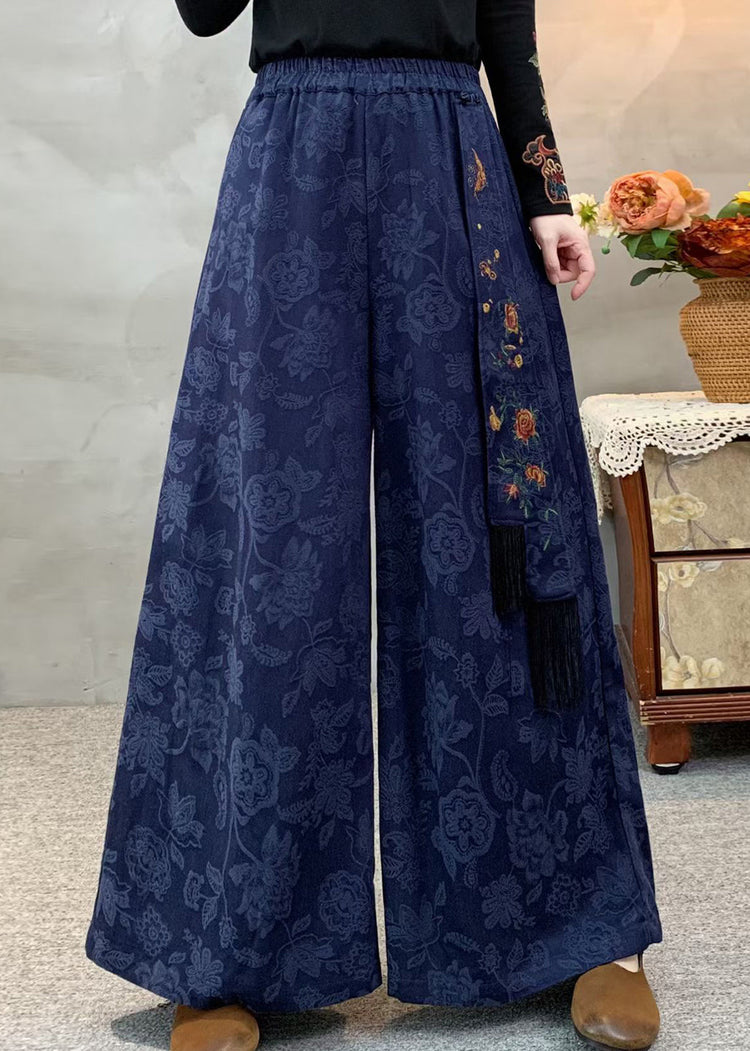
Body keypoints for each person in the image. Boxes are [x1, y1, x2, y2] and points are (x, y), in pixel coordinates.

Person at [84, 3, 664, 1050]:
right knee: (271, 546)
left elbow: (506, 22)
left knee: (495, 536)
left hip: (450, 149)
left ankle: (586, 924)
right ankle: (226, 946)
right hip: (292, 154)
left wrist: (543, 191)